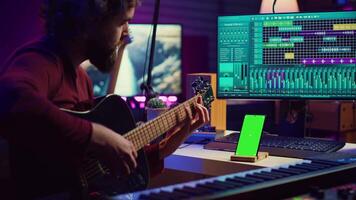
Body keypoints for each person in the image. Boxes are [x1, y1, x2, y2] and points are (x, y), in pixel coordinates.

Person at [0, 0, 209, 199]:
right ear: (91, 20)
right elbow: (10, 98)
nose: (127, 32)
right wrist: (96, 135)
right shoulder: (42, 61)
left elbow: (95, 171)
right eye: (122, 22)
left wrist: (165, 147)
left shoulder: (83, 80)